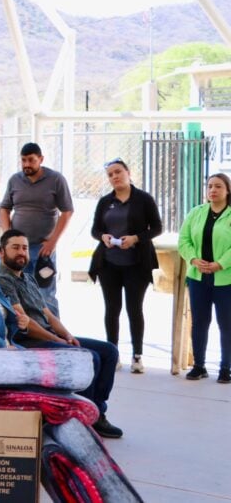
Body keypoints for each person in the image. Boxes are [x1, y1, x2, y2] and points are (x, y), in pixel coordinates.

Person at [0, 229, 123, 438]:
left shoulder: (28, 278)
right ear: (2, 252)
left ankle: (97, 412)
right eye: (15, 247)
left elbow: (47, 314)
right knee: (88, 359)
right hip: (29, 341)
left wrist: (68, 336)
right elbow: (25, 320)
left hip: (50, 335)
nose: (21, 252)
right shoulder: (1, 279)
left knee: (109, 351)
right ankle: (81, 421)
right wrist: (56, 339)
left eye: (25, 248)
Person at [89, 159, 162, 375]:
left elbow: (157, 228)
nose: (115, 177)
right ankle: (113, 354)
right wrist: (103, 236)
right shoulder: (104, 202)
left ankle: (137, 355)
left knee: (134, 308)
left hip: (137, 263)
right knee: (112, 309)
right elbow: (95, 230)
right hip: (108, 262)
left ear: (128, 172)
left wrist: (137, 238)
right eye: (110, 174)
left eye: (118, 172)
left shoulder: (143, 199)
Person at [0, 142, 74, 316]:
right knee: (15, 291)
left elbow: (67, 211)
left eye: (31, 160)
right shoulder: (15, 180)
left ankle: (54, 335)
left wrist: (53, 242)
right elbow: (4, 208)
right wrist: (7, 235)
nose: (26, 165)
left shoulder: (56, 179)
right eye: (23, 160)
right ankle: (25, 333)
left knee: (45, 294)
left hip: (42, 249)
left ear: (41, 159)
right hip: (17, 249)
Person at [178, 172, 231, 383]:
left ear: (227, 190)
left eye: (218, 186)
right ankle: (199, 365)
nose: (213, 190)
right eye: (209, 186)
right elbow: (184, 240)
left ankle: (226, 367)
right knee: (199, 321)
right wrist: (193, 259)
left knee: (226, 323)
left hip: (225, 278)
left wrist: (221, 263)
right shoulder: (196, 213)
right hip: (198, 277)